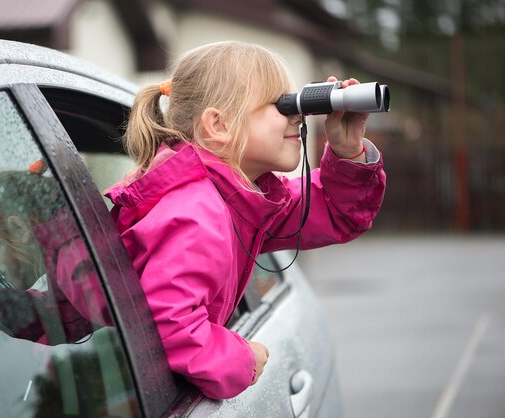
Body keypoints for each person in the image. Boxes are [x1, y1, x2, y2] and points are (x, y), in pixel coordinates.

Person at [104, 40, 386, 399]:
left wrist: (349, 153)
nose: (297, 116)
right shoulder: (195, 213)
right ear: (218, 125)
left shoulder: (242, 199)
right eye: (281, 105)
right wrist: (242, 359)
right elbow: (169, 327)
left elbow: (335, 211)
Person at [0, 160, 111, 344]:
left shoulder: (72, 258)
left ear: (18, 228)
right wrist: (1, 301)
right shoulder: (68, 250)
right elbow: (66, 318)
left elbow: (121, 308)